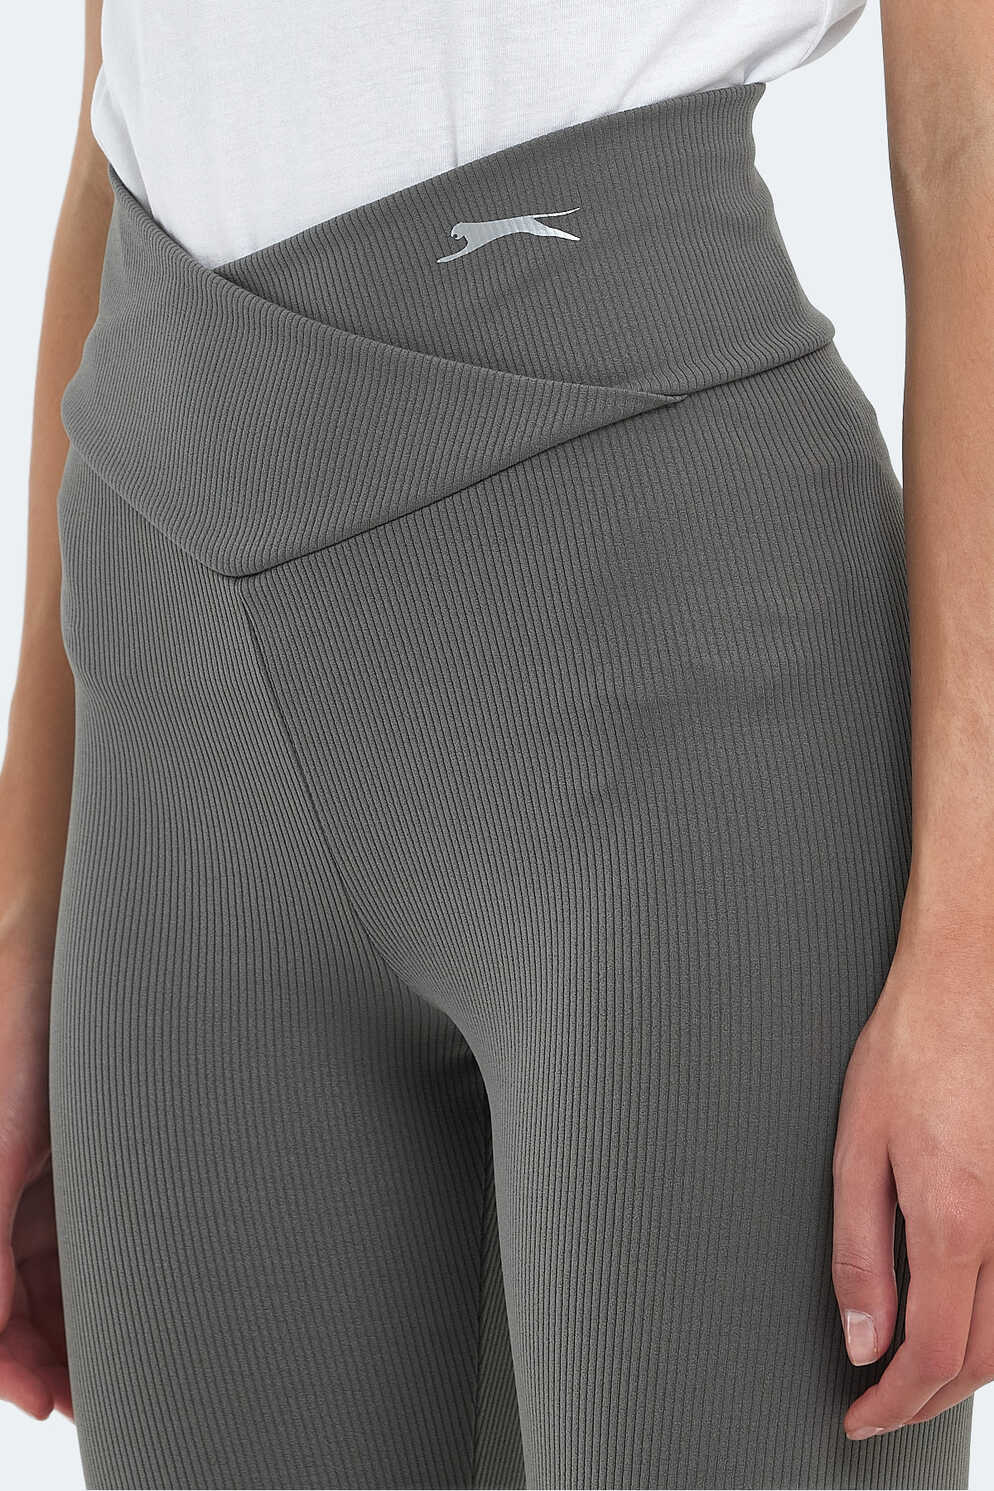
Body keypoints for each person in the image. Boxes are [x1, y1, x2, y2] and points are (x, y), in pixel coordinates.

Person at [1, 1, 993, 1487]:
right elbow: (114, 108)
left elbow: (970, 148)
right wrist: (25, 906)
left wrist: (974, 952)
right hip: (174, 715)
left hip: (665, 713)